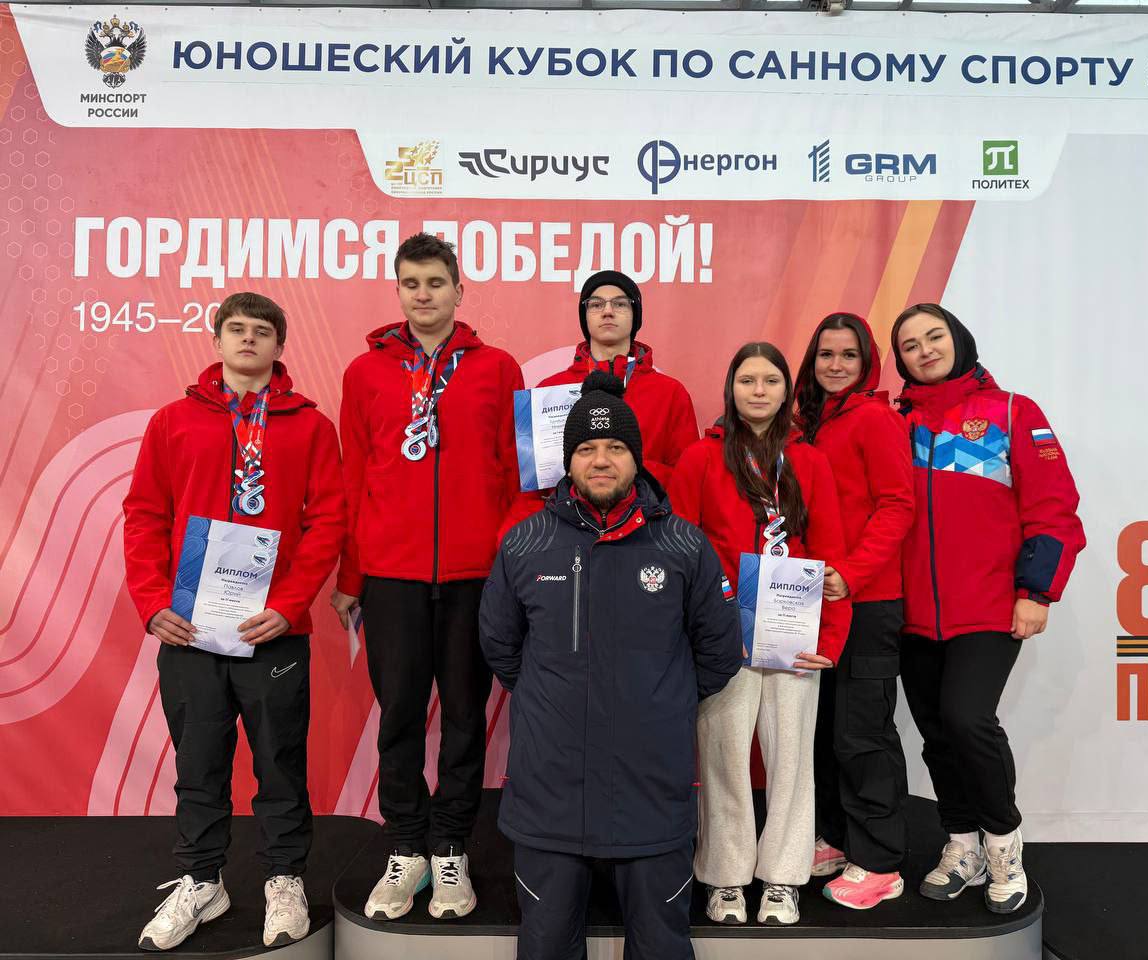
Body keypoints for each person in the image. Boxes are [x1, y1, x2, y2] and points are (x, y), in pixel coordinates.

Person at [480, 371, 741, 960]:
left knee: (661, 948)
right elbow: (501, 645)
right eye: (587, 448)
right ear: (568, 460)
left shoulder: (684, 545)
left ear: (637, 458)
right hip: (550, 797)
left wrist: (663, 698)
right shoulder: (524, 543)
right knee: (546, 948)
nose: (601, 460)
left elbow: (720, 651)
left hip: (651, 795)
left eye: (616, 447)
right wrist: (554, 698)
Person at [122, 292, 345, 951]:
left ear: (279, 346)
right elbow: (144, 514)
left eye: (262, 331)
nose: (249, 339)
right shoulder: (172, 422)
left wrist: (291, 603)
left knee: (280, 762)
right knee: (199, 762)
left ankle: (284, 877)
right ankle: (201, 880)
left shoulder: (311, 427)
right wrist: (152, 602)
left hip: (272, 629)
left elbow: (327, 520)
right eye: (237, 329)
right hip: (190, 628)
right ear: (217, 341)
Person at [331, 233, 524, 921]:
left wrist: (507, 565)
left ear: (459, 290)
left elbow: (516, 474)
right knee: (401, 716)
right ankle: (406, 845)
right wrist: (352, 573)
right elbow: (354, 478)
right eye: (411, 283)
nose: (423, 295)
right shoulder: (364, 373)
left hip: (476, 575)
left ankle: (450, 848)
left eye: (436, 282)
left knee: (466, 717)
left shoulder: (497, 367)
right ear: (398, 290)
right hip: (391, 576)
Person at [890, 303, 1084, 914]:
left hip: (989, 607)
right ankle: (961, 843)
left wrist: (1036, 591)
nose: (925, 350)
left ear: (959, 339)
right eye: (910, 345)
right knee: (936, 733)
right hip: (912, 612)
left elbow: (1054, 507)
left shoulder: (1011, 412)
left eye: (935, 337)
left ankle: (1003, 844)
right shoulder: (896, 423)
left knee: (967, 719)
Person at [668, 342, 851, 926]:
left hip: (795, 632)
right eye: (747, 380)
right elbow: (681, 551)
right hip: (724, 633)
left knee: (792, 760)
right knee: (723, 757)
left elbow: (830, 555)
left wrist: (831, 641)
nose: (758, 391)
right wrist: (700, 627)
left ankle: (783, 879)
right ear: (731, 387)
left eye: (770, 380)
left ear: (786, 390)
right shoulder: (701, 458)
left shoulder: (810, 461)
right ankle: (725, 879)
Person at [793, 312, 914, 910]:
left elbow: (897, 505)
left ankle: (882, 862)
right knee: (824, 731)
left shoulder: (875, 419)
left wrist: (854, 572)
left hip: (868, 601)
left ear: (867, 362)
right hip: (817, 600)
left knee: (862, 733)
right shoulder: (808, 426)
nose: (836, 365)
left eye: (848, 355)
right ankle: (839, 839)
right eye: (826, 354)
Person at [539, 271, 699, 487]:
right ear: (585, 316)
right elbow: (535, 488)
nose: (607, 311)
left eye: (620, 304)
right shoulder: (548, 390)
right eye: (596, 304)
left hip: (649, 508)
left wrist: (631, 470)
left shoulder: (670, 393)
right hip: (567, 508)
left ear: (635, 316)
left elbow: (687, 479)